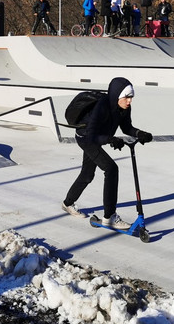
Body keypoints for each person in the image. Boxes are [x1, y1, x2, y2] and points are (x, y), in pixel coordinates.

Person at [61, 77, 153, 229]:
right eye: (126, 97)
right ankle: (109, 216)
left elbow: (126, 127)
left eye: (131, 97)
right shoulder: (102, 106)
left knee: (87, 174)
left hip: (97, 138)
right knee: (111, 169)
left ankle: (67, 203)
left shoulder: (124, 108)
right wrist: (110, 139)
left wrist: (139, 133)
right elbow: (91, 135)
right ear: (117, 95)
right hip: (86, 138)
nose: (129, 101)